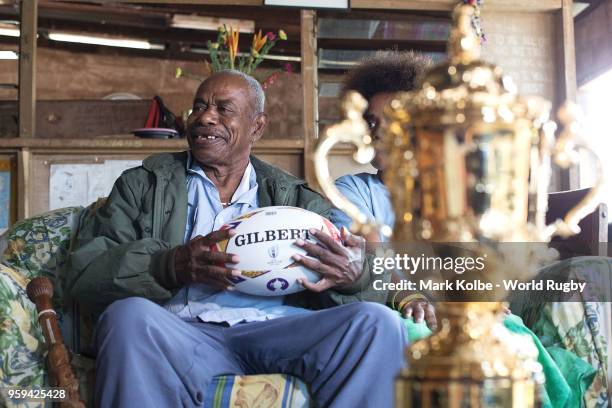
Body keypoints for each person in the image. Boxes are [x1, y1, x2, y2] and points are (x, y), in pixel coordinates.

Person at [65, 69, 405, 408]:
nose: (205, 118)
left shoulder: (296, 198)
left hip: (278, 333)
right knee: (128, 317)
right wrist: (169, 265)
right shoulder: (143, 185)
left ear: (257, 126)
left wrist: (353, 275)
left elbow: (369, 283)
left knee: (377, 324)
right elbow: (87, 274)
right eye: (198, 107)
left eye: (223, 109)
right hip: (181, 334)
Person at [330, 51, 439, 330]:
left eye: (392, 120)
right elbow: (371, 262)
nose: (378, 132)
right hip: (398, 317)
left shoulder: (451, 194)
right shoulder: (352, 191)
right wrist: (408, 297)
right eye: (372, 122)